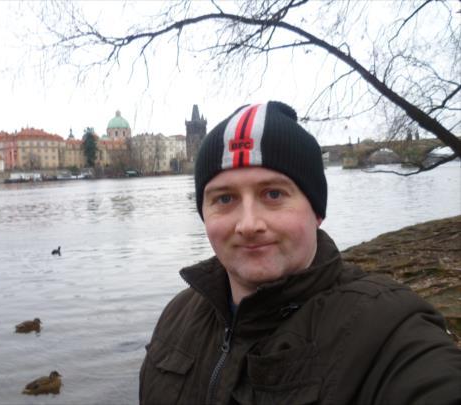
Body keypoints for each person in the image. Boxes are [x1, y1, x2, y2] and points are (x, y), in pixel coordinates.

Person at [139, 101, 461, 404]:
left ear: (316, 211)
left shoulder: (389, 331)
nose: (248, 224)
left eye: (273, 194)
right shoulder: (177, 315)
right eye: (224, 199)